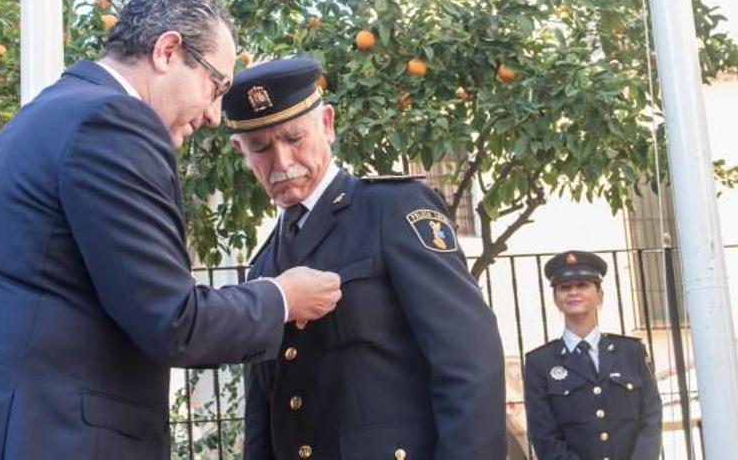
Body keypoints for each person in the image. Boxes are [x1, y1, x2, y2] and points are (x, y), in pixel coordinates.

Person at [0, 0, 342, 460]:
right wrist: (282, 297)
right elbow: (174, 321)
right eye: (215, 86)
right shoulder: (112, 123)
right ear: (167, 51)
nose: (212, 114)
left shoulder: (49, 114)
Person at [223, 57, 506, 460]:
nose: (282, 162)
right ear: (241, 151)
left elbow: (468, 360)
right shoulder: (264, 266)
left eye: (294, 138)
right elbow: (263, 413)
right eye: (261, 147)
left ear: (327, 123)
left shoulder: (391, 210)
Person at [524, 251, 662, 460]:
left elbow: (651, 418)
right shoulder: (540, 363)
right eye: (564, 288)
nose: (573, 292)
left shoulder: (631, 352)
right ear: (556, 299)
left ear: (599, 294)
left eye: (582, 285)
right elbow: (544, 437)